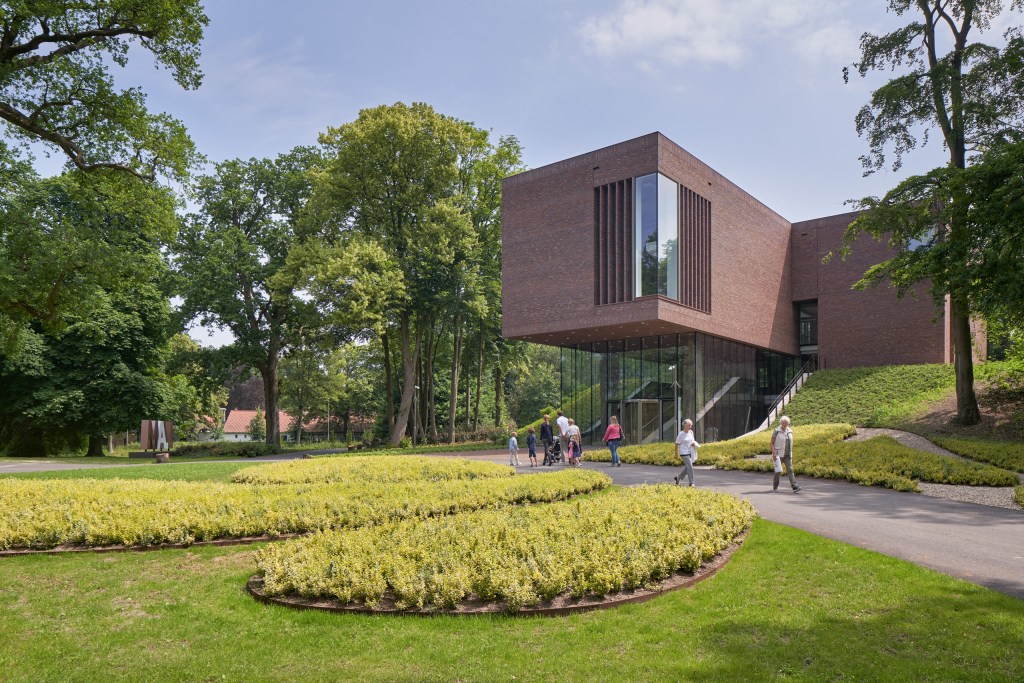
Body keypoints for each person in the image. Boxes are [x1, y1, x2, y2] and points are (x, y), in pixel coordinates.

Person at [771, 415, 801, 492]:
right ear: (781, 423)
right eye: (783, 423)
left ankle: (794, 486)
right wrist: (774, 453)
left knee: (790, 470)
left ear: (788, 423)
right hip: (779, 455)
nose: (784, 424)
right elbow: (772, 443)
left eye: (786, 423)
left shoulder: (790, 431)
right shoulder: (776, 431)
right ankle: (775, 487)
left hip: (787, 455)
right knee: (778, 471)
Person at [673, 419, 699, 486]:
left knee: (687, 467)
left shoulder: (691, 432)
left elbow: (692, 440)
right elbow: (676, 444)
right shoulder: (681, 434)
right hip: (684, 453)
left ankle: (678, 478)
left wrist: (693, 444)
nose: (690, 427)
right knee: (690, 466)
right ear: (685, 425)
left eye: (691, 425)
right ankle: (691, 483)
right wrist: (676, 454)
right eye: (689, 425)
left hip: (690, 452)